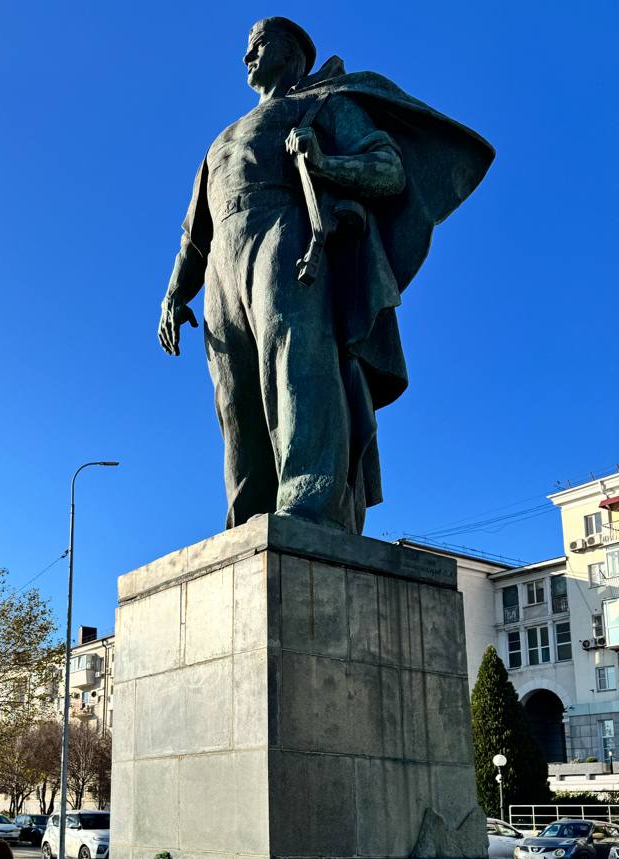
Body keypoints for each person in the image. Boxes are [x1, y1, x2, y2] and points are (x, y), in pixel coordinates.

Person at [158, 17, 493, 534]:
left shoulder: (325, 105)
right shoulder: (220, 141)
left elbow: (388, 170)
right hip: (222, 259)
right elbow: (194, 234)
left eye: (259, 45)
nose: (247, 57)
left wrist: (323, 163)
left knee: (297, 363)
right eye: (246, 49)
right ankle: (248, 516)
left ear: (292, 54)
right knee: (235, 391)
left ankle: (308, 505)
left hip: (287, 235)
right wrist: (176, 293)